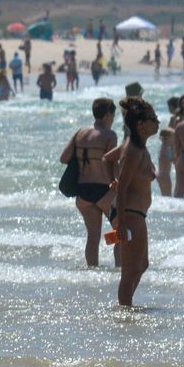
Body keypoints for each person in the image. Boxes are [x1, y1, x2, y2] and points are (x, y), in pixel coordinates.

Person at [110, 98, 159, 307]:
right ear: (141, 125)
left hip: (137, 214)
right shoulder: (133, 151)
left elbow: (107, 160)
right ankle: (124, 311)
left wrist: (112, 179)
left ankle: (126, 304)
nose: (157, 122)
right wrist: (120, 223)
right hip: (130, 214)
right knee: (130, 271)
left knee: (142, 265)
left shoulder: (138, 148)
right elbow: (122, 188)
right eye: (153, 119)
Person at [60, 98, 119, 267]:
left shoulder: (80, 132)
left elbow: (63, 158)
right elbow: (112, 163)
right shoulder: (110, 135)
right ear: (108, 115)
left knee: (93, 237)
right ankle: (118, 271)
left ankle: (92, 273)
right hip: (104, 191)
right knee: (120, 233)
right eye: (113, 115)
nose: (113, 119)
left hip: (83, 191)